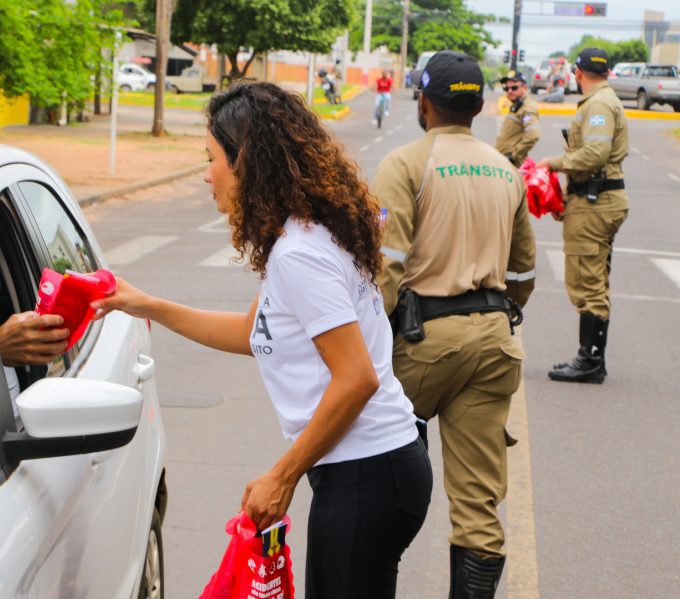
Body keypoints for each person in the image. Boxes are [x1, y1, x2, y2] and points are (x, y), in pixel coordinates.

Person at [92, 81, 432, 598]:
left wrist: (283, 475)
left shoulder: (300, 253)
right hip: (371, 471)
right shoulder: (296, 238)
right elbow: (255, 334)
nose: (206, 173)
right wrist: (146, 304)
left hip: (369, 473)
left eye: (212, 158)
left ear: (247, 162)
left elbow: (356, 378)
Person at [371, 50, 536, 598]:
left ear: (424, 102)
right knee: (478, 504)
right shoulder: (506, 171)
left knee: (372, 470)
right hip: (493, 342)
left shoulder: (406, 164)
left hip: (422, 346)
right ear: (480, 105)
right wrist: (493, 308)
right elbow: (524, 271)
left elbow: (386, 270)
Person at [539, 47, 628, 384]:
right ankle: (593, 358)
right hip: (594, 198)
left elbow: (595, 153)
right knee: (595, 279)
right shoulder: (603, 100)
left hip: (596, 203)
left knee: (586, 282)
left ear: (577, 72)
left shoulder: (600, 104)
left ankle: (589, 360)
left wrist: (552, 163)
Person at [495, 70, 540, 166]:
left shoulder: (527, 108)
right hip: (504, 162)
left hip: (512, 164)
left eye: (514, 88)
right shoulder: (517, 106)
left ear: (524, 87)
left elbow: (533, 135)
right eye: (506, 88)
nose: (510, 91)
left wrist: (514, 156)